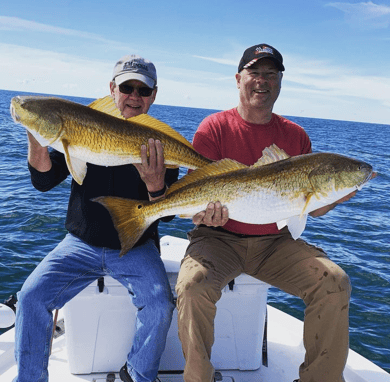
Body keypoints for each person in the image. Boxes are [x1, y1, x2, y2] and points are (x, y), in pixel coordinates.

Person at [175, 44, 357, 382]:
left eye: (271, 74)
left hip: (275, 242)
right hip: (217, 237)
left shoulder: (296, 136)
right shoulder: (212, 128)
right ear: (238, 78)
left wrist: (327, 201)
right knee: (192, 287)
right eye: (255, 73)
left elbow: (307, 210)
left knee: (335, 282)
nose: (262, 81)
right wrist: (202, 216)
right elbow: (197, 197)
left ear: (280, 82)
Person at [14, 55, 179, 382]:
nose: (134, 95)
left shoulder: (159, 144)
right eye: (126, 87)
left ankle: (137, 374)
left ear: (154, 96)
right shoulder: (81, 124)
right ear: (112, 88)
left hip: (136, 247)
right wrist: (36, 134)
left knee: (160, 303)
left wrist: (156, 185)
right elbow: (44, 181)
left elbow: (171, 213)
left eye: (142, 90)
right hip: (79, 244)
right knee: (31, 296)